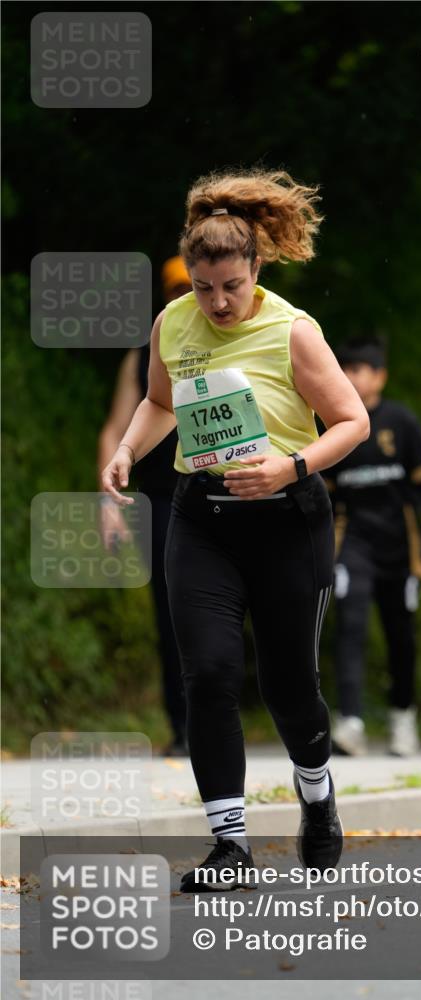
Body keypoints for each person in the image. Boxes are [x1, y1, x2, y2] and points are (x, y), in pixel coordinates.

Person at [101, 168, 369, 890]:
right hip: (204, 521)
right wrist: (127, 450)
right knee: (209, 674)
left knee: (288, 686)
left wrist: (291, 467)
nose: (218, 302)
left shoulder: (293, 330)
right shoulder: (172, 324)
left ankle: (316, 793)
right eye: (203, 287)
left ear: (256, 269)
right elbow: (160, 403)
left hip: (287, 523)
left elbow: (352, 421)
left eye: (231, 286)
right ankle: (230, 846)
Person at [320, 335, 421, 756]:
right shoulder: (334, 425)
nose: (351, 377)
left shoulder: (400, 420)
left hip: (399, 548)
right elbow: (323, 495)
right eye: (345, 370)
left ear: (380, 376)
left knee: (400, 635)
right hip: (352, 545)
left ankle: (402, 717)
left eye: (359, 370)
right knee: (350, 628)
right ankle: (350, 723)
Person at [98, 257, 192, 756]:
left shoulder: (232, 342)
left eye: (190, 288)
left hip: (223, 489)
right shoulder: (144, 353)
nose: (184, 297)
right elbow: (115, 429)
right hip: (161, 500)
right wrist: (109, 501)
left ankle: (227, 717)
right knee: (171, 613)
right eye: (175, 290)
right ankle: (183, 727)